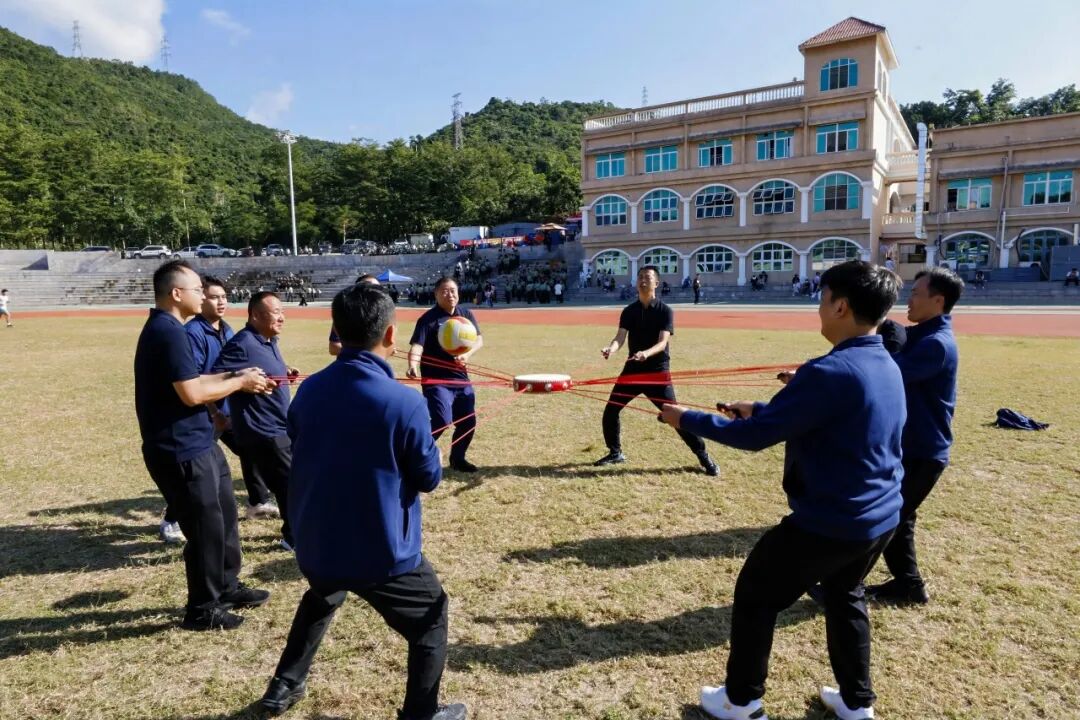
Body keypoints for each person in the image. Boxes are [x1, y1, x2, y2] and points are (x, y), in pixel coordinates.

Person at [660, 260, 905, 720]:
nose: (819, 307)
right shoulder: (884, 362)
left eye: (822, 298)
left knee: (757, 594)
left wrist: (685, 418)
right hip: (880, 517)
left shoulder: (830, 370)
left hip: (832, 522)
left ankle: (740, 701)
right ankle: (856, 703)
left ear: (841, 306)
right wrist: (760, 409)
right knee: (845, 594)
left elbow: (756, 438)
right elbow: (830, 417)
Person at [260, 283, 467, 720]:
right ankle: (422, 714)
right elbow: (428, 478)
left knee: (325, 592)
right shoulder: (404, 402)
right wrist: (432, 454)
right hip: (380, 553)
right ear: (391, 334)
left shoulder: (309, 390)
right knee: (431, 619)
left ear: (337, 330)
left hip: (316, 546)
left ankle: (284, 684)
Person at [134, 260, 273, 631]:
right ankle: (202, 609)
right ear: (176, 294)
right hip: (179, 448)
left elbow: (195, 379)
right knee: (204, 530)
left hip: (200, 441)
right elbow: (192, 393)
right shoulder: (167, 332)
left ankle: (227, 585)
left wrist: (237, 374)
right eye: (197, 289)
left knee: (225, 517)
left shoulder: (172, 329)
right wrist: (240, 383)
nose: (203, 295)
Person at [865, 267, 962, 606]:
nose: (910, 299)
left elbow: (887, 373)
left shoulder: (936, 345)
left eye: (917, 293)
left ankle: (846, 583)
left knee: (889, 517)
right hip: (909, 445)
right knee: (899, 517)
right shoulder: (922, 335)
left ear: (938, 301)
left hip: (923, 449)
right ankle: (909, 586)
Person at [595, 266, 719, 476]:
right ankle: (615, 452)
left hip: (657, 373)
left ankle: (703, 456)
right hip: (632, 371)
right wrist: (611, 349)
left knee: (675, 416)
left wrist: (645, 353)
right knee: (611, 410)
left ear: (656, 283)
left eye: (648, 277)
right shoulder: (629, 311)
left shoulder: (664, 311)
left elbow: (662, 343)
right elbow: (620, 337)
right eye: (640, 277)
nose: (643, 280)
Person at [185, 275, 278, 530]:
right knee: (198, 465)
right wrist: (213, 412)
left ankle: (258, 501)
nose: (221, 302)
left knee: (250, 448)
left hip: (228, 408)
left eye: (224, 297)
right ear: (202, 299)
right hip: (206, 410)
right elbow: (193, 378)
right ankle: (173, 519)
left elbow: (241, 365)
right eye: (214, 297)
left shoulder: (226, 330)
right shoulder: (193, 333)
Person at [213, 292, 299, 552]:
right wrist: (241, 383)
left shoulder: (269, 340)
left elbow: (262, 368)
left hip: (280, 425)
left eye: (282, 311)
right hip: (263, 430)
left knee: (291, 481)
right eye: (276, 312)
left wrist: (284, 372)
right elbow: (214, 377)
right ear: (255, 315)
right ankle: (293, 538)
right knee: (289, 484)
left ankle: (295, 533)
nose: (282, 317)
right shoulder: (242, 343)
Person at [407, 277, 483, 473]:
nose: (450, 295)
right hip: (436, 380)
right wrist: (413, 364)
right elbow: (417, 345)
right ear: (436, 294)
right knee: (441, 419)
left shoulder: (465, 314)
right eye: (445, 291)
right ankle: (413, 455)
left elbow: (478, 339)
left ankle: (458, 459)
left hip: (460, 378)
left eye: (453, 290)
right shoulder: (428, 319)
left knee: (467, 422)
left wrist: (467, 354)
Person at [329, 274, 380, 356]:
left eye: (377, 288)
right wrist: (370, 353)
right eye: (369, 287)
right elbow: (333, 348)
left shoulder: (383, 314)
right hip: (350, 363)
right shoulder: (345, 314)